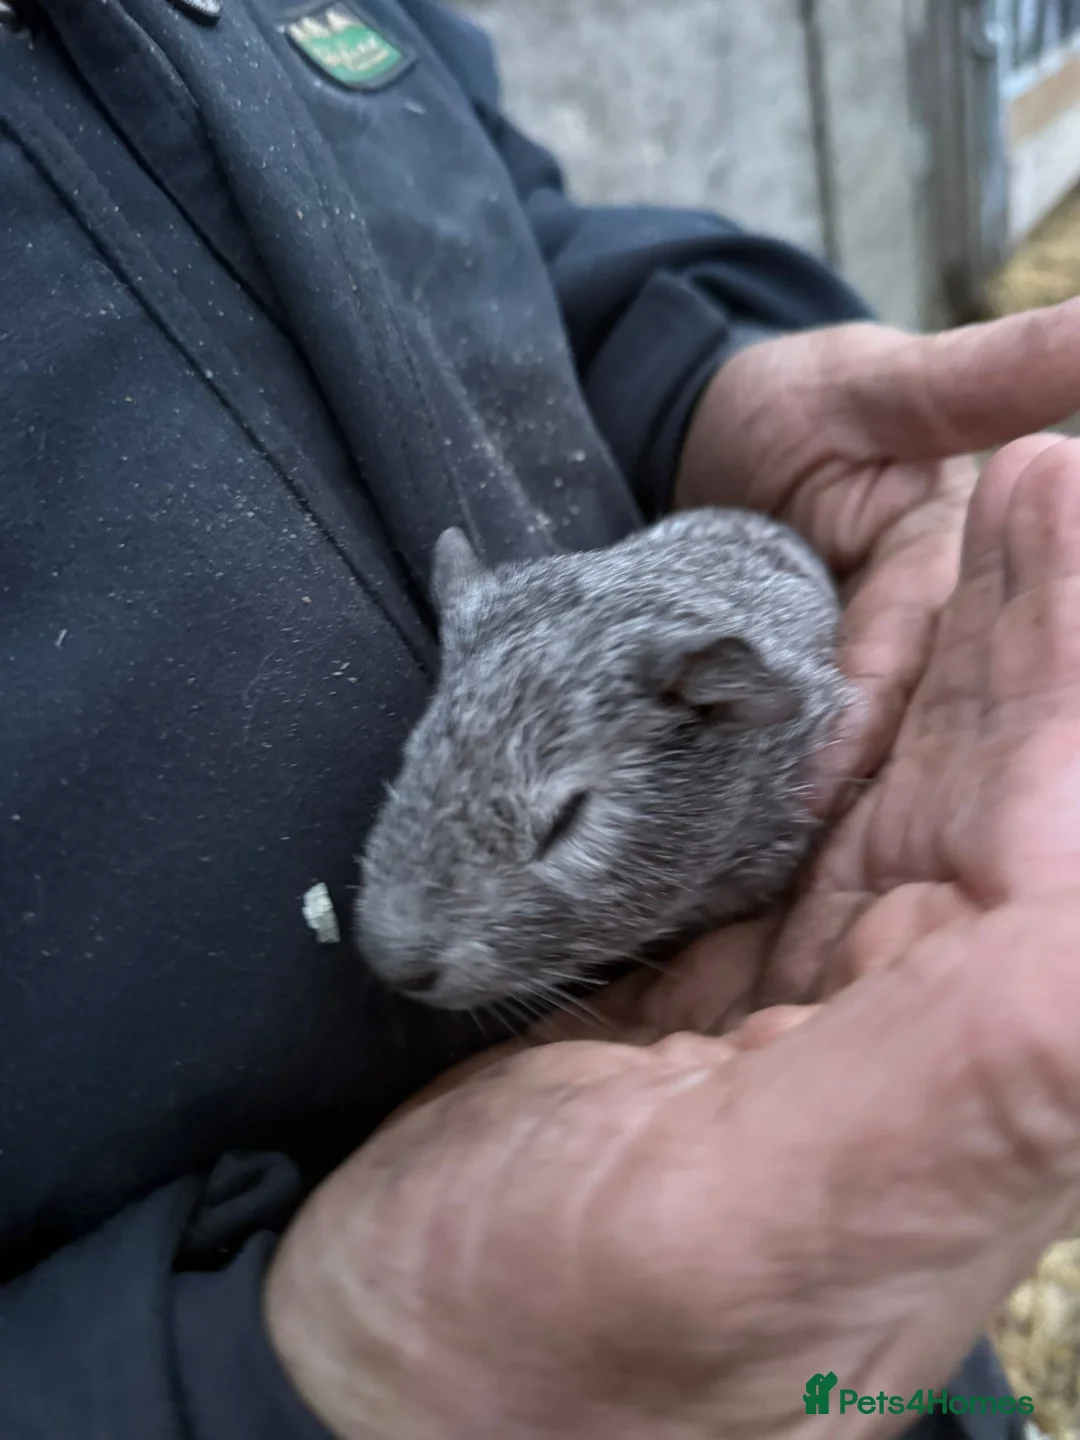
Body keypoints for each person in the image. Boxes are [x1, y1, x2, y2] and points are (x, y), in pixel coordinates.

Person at [3, 0, 1080, 1435]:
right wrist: (244, 1385)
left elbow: (494, 209)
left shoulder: (753, 740)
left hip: (785, 1228)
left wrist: (693, 368)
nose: (398, 941)